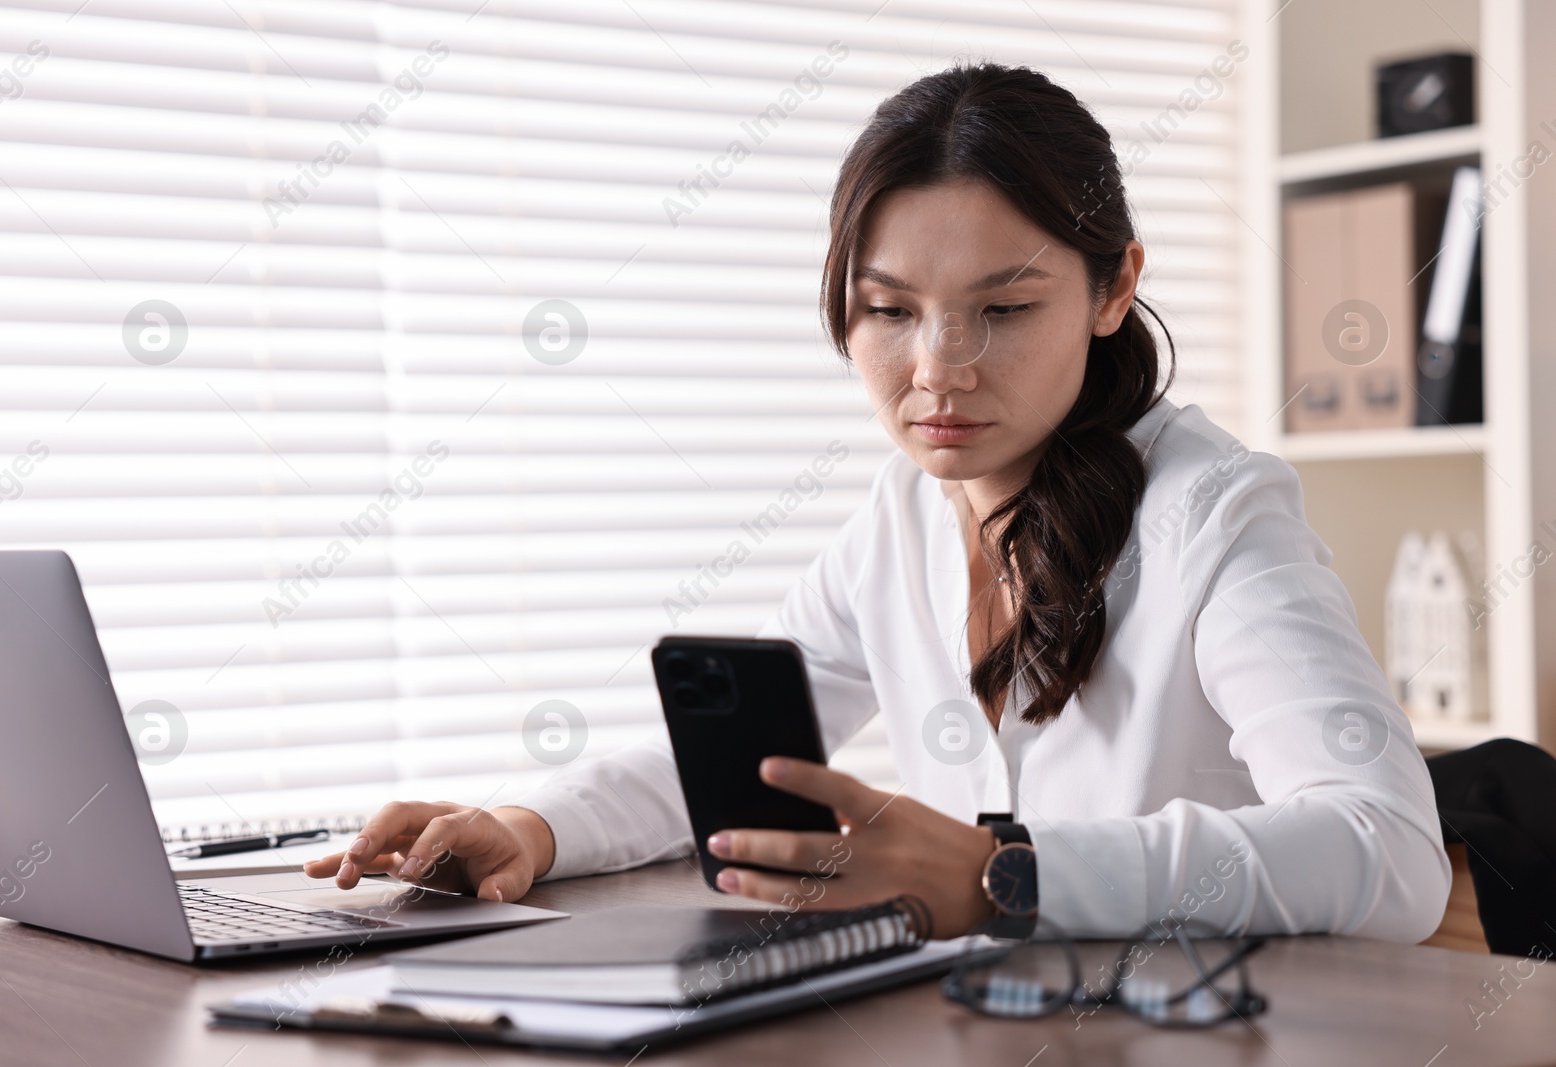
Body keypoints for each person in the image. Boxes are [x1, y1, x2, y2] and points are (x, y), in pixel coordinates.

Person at [306, 62, 1450, 943]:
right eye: (890, 309)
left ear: (1115, 289)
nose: (938, 368)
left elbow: (1389, 850)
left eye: (1002, 309)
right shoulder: (900, 519)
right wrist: (531, 825)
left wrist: (1011, 870)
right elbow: (750, 764)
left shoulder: (1215, 514)